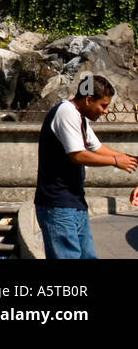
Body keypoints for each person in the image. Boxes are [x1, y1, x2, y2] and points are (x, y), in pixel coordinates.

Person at [35, 75, 137, 259]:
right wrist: (116, 161)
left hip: (74, 202)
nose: (105, 111)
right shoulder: (66, 112)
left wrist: (128, 158)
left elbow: (96, 147)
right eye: (103, 105)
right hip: (57, 203)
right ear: (89, 99)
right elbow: (77, 155)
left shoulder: (80, 117)